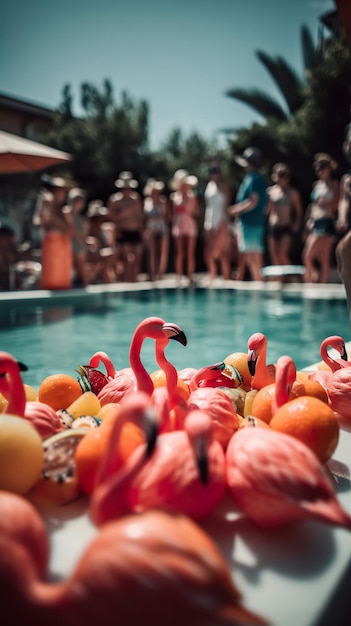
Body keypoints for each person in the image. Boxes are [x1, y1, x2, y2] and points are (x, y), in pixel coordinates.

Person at [228, 147, 267, 281]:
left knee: (254, 255)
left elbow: (253, 201)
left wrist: (236, 210)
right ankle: (258, 285)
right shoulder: (249, 178)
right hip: (248, 223)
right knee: (251, 255)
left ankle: (259, 285)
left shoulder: (255, 179)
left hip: (253, 222)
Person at [302, 153, 339, 283]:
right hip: (314, 222)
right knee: (315, 257)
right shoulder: (316, 185)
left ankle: (314, 284)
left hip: (326, 221)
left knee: (313, 256)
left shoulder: (334, 184)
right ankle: (313, 282)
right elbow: (312, 206)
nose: (319, 170)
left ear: (329, 168)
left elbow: (338, 203)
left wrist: (326, 204)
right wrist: (308, 221)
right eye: (317, 167)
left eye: (322, 167)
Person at [33, 175, 73, 289]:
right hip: (52, 243)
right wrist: (47, 211)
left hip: (63, 244)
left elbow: (69, 230)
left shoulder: (62, 210)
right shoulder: (46, 202)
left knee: (63, 280)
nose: (63, 194)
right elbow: (38, 222)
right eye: (61, 191)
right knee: (52, 279)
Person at [108, 171, 144, 282]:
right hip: (123, 232)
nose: (127, 190)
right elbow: (110, 217)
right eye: (125, 187)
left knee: (137, 257)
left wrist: (142, 232)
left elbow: (140, 217)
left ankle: (134, 279)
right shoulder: (115, 200)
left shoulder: (136, 199)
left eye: (128, 187)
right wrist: (122, 215)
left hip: (135, 232)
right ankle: (126, 281)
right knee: (126, 258)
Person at [266, 163, 303, 266]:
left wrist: (297, 223)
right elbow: (267, 210)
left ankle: (291, 276)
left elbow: (299, 210)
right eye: (280, 174)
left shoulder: (292, 193)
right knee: (274, 256)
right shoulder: (271, 192)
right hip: (273, 226)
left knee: (283, 254)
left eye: (284, 174)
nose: (282, 178)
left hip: (286, 226)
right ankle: (280, 280)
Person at [203, 162, 232, 281]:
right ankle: (212, 276)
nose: (213, 173)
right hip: (210, 222)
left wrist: (225, 223)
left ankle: (226, 279)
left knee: (223, 252)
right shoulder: (209, 186)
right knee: (208, 252)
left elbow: (227, 205)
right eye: (211, 171)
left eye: (215, 170)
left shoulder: (224, 186)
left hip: (222, 222)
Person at [169, 169, 199, 283]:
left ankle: (190, 276)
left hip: (189, 223)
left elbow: (194, 211)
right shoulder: (174, 197)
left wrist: (187, 204)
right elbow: (172, 214)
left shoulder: (192, 196)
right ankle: (179, 277)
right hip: (178, 224)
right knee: (179, 252)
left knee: (190, 252)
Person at [336, 124, 351, 327]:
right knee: (343, 253)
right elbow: (344, 202)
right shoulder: (347, 180)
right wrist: (341, 218)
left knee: (344, 251)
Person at [143, 178, 170, 281]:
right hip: (150, 228)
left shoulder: (163, 201)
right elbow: (144, 218)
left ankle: (161, 273)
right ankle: (152, 274)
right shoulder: (147, 202)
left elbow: (167, 216)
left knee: (162, 252)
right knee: (152, 252)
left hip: (162, 228)